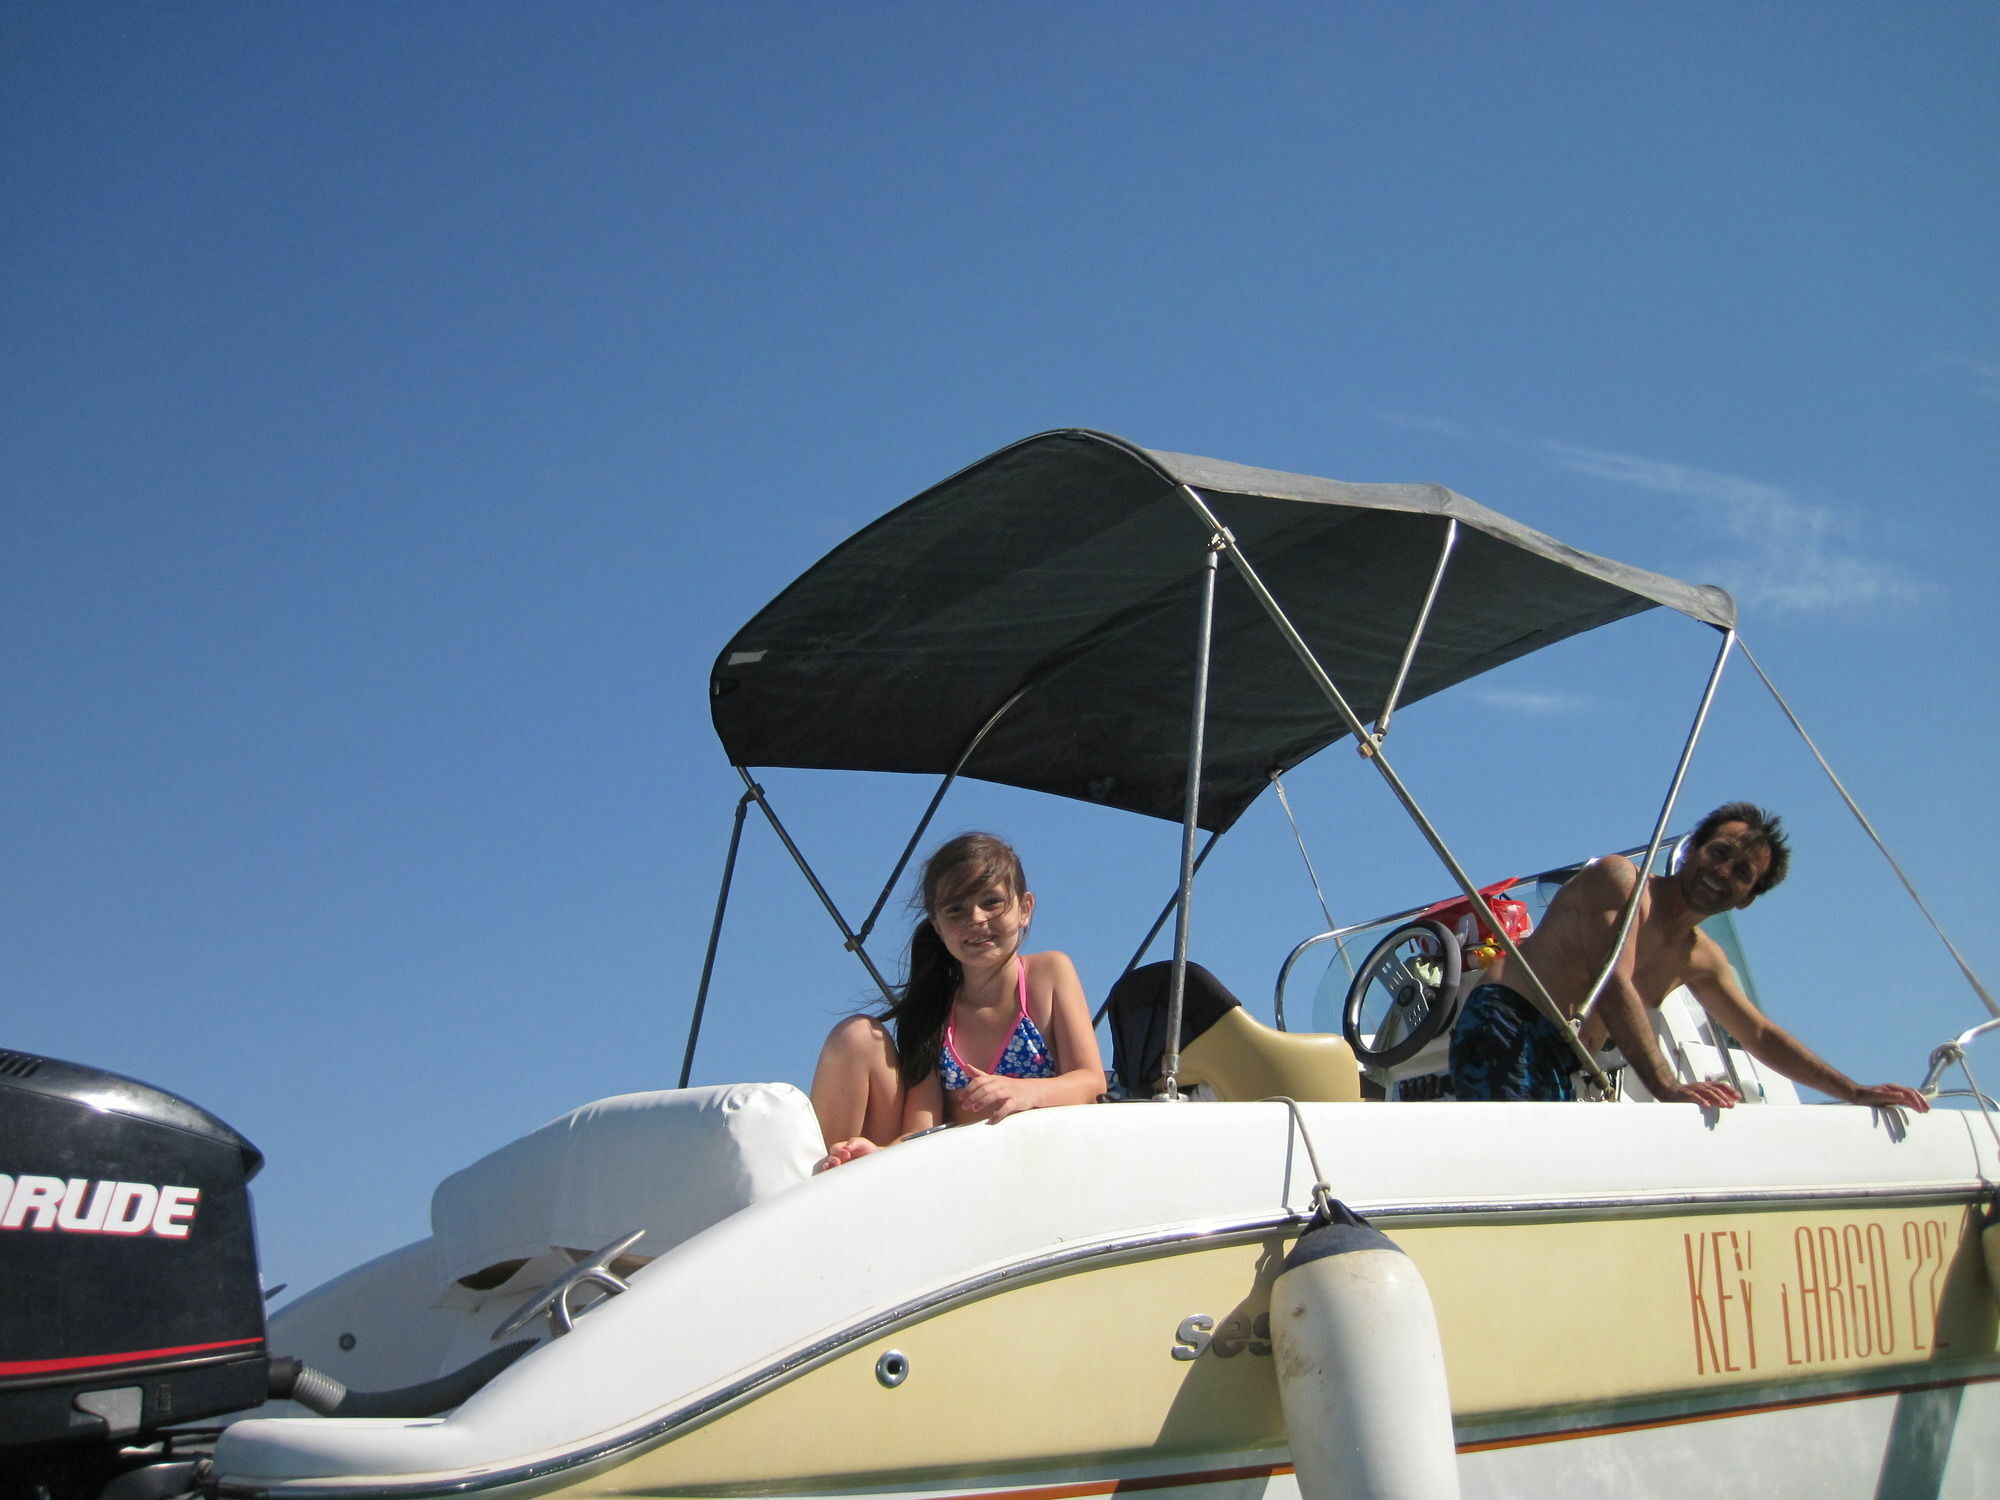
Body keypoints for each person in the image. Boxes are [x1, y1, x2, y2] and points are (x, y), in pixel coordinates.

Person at [1449, 802, 1931, 1111]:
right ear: (1691, 850)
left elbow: (1760, 1035)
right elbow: (1612, 982)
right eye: (1717, 851)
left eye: (1741, 871)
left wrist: (1854, 1091)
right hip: (1508, 1023)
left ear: (1747, 897)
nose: (1722, 870)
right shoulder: (1620, 881)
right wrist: (1665, 1085)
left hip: (1564, 1058)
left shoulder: (1701, 957)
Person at [812, 832, 1105, 1169]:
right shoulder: (933, 1010)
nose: (976, 919)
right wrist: (878, 1155)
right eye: (956, 909)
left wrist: (1026, 1092)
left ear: (1024, 908)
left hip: (1042, 1159)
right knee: (856, 1035)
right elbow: (923, 1129)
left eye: (991, 902)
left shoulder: (1049, 972)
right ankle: (829, 1176)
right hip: (959, 1169)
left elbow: (1090, 1082)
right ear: (938, 926)